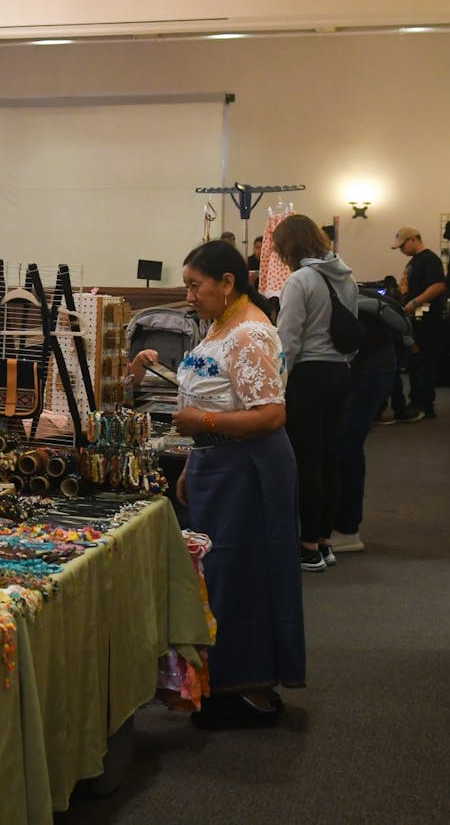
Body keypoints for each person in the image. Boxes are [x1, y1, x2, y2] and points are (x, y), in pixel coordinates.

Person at [130, 239, 302, 728]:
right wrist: (192, 462)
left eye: (195, 285)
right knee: (218, 575)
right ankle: (223, 680)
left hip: (249, 468)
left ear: (227, 283)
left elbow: (270, 415)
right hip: (218, 462)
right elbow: (211, 400)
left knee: (244, 574)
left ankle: (249, 685)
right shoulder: (220, 325)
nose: (188, 295)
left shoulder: (249, 333)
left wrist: (200, 425)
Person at [273, 213, 357, 572]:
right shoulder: (346, 276)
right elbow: (351, 330)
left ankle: (306, 547)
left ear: (288, 246)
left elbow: (288, 340)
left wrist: (277, 383)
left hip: (307, 375)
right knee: (330, 458)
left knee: (306, 460)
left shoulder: (300, 280)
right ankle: (324, 540)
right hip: (340, 372)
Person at [333, 286, 414, 553]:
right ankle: (344, 524)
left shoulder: (313, 286)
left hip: (370, 369)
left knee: (347, 445)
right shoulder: (338, 281)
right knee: (348, 445)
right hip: (377, 365)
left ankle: (347, 529)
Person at [391, 226, 447, 420]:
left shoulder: (430, 260)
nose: (401, 250)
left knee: (424, 362)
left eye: (402, 246)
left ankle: (424, 404)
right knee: (415, 362)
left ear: (414, 239)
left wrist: (415, 302)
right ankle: (416, 401)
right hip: (415, 320)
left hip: (428, 321)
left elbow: (439, 285)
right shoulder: (415, 262)